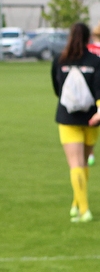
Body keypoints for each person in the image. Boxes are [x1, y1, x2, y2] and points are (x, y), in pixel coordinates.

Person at [51, 22, 100, 223]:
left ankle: (83, 209)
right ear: (89, 38)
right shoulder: (95, 61)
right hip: (91, 119)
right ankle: (77, 203)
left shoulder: (59, 60)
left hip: (67, 118)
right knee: (84, 163)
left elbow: (57, 89)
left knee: (75, 165)